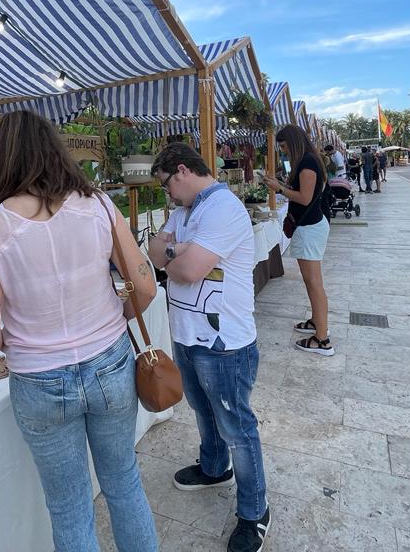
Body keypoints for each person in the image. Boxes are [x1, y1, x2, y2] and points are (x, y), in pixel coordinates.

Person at [0, 111, 158, 552]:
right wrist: (117, 315)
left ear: (5, 158)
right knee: (123, 482)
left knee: (70, 506)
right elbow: (145, 286)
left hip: (38, 379)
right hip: (109, 362)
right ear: (55, 149)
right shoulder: (98, 206)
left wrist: (16, 340)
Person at [147, 143, 271, 552]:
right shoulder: (185, 211)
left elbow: (187, 269)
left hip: (224, 342)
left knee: (237, 426)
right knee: (202, 410)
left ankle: (254, 511)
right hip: (187, 333)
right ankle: (215, 468)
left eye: (167, 185)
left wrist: (175, 253)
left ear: (181, 170)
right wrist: (174, 250)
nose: (168, 195)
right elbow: (156, 251)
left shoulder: (222, 208)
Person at [263, 126, 334, 357]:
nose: (282, 152)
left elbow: (304, 198)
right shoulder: (308, 161)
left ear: (292, 143)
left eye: (284, 147)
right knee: (311, 280)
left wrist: (280, 188)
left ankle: (322, 339)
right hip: (310, 226)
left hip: (310, 227)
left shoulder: (307, 162)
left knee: (314, 282)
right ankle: (317, 321)